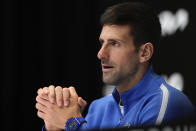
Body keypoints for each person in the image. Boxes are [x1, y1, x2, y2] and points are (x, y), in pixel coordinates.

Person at [35, 2, 195, 131]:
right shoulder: (98, 108)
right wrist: (55, 126)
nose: (101, 54)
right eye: (102, 43)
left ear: (144, 52)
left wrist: (72, 123)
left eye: (115, 43)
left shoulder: (168, 103)